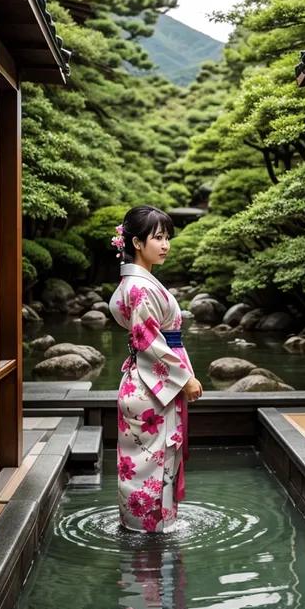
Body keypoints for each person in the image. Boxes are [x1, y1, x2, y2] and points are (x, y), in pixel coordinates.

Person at [109, 205, 202, 533]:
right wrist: (184, 378)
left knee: (142, 466)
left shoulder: (136, 284)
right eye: (158, 237)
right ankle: (151, 535)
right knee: (153, 464)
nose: (165, 244)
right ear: (136, 243)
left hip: (143, 383)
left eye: (167, 237)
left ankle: (142, 529)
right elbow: (147, 339)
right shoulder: (141, 287)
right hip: (152, 389)